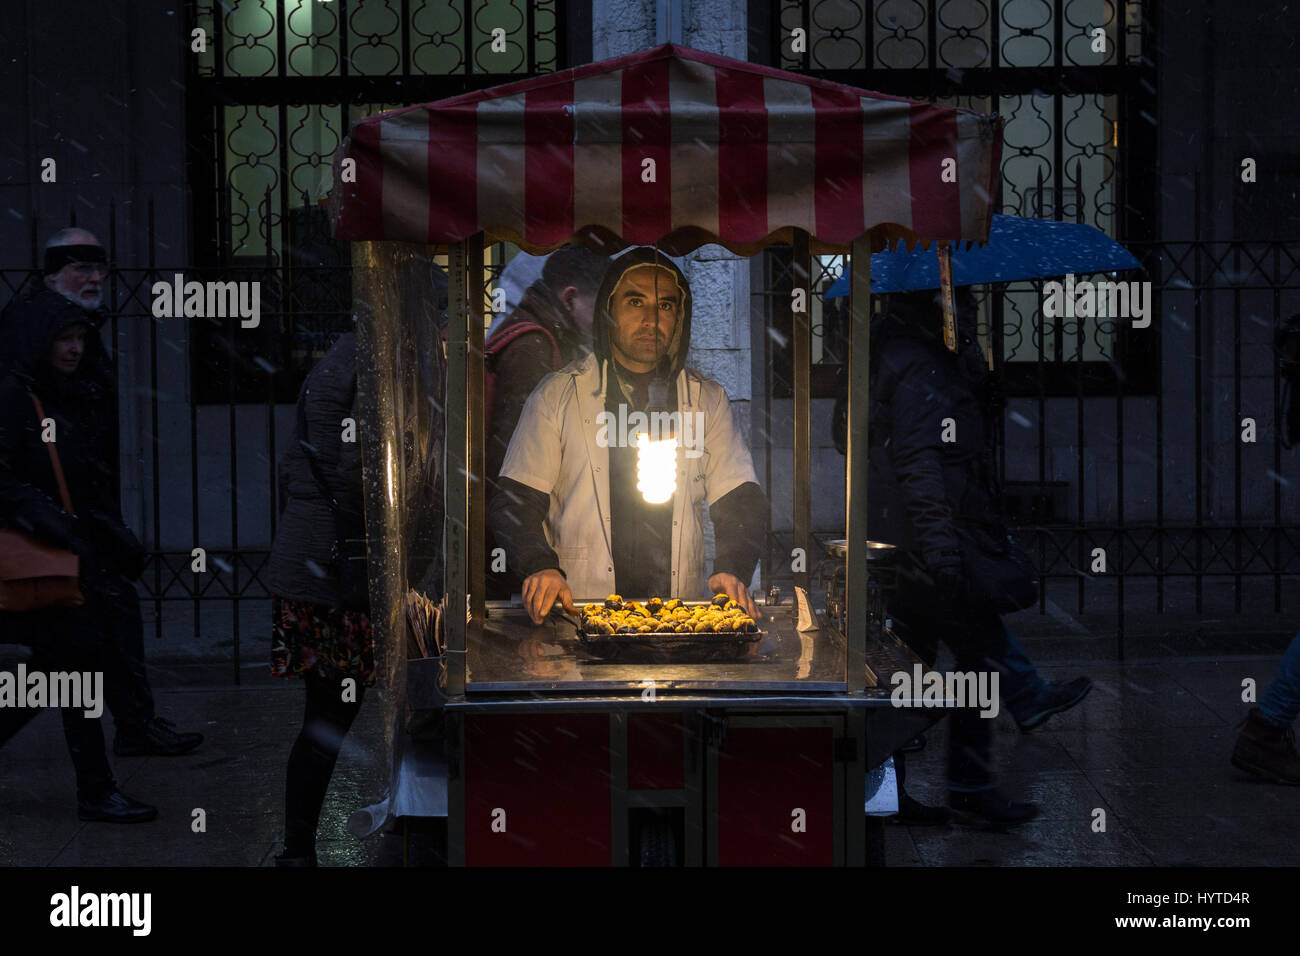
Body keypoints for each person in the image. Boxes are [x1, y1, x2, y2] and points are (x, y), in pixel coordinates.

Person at [490, 246, 765, 620]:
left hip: (675, 615)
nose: (652, 319)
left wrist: (733, 566)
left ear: (680, 317)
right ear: (609, 310)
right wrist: (539, 564)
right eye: (636, 302)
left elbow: (740, 499)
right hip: (578, 614)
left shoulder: (707, 401)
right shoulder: (558, 395)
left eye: (666, 305)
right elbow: (515, 500)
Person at [859, 288, 1048, 827]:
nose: (967, 311)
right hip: (932, 542)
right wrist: (941, 555)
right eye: (960, 301)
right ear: (935, 304)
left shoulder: (894, 352)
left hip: (906, 540)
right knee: (978, 662)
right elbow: (922, 461)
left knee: (908, 668)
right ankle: (967, 786)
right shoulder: (920, 363)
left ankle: (880, 792)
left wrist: (969, 374)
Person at [0, 248, 164, 822]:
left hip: (60, 556)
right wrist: (55, 523)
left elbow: (79, 481)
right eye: (63, 338)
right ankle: (96, 790)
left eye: (79, 338)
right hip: (34, 556)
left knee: (64, 670)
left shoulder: (61, 397)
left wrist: (99, 533)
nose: (74, 349)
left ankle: (97, 788)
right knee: (69, 670)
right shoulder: (16, 396)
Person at [267, 331, 370, 866]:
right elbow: (357, 472)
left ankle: (297, 848)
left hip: (317, 565)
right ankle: (297, 849)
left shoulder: (340, 356)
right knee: (329, 716)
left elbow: (293, 466)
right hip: (335, 576)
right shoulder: (373, 360)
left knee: (326, 716)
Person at [485, 244, 609, 599]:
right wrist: (533, 556)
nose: (605, 323)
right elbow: (514, 466)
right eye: (600, 309)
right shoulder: (534, 347)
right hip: (510, 549)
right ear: (569, 298)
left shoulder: (540, 335)